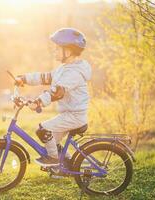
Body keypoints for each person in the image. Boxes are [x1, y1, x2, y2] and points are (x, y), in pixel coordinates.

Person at [15, 28, 92, 167]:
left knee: (43, 130)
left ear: (68, 51)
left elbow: (57, 92)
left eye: (57, 48)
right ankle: (68, 164)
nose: (54, 51)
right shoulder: (64, 68)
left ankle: (54, 160)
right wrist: (24, 78)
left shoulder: (74, 73)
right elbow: (46, 77)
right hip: (69, 114)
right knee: (52, 142)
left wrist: (39, 102)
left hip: (74, 116)